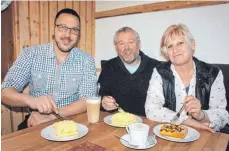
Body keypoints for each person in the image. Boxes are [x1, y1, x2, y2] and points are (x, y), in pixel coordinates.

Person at [1, 8, 97, 129]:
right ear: (54, 29)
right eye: (62, 27)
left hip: (71, 122)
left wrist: (52, 116)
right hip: (36, 121)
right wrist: (32, 100)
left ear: (78, 34)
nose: (67, 35)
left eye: (74, 30)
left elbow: (87, 100)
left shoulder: (86, 60)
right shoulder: (31, 54)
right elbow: (5, 92)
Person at [145, 24, 228, 132]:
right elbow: (151, 109)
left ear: (192, 45)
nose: (175, 50)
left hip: (205, 135)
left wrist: (201, 115)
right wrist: (186, 121)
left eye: (180, 43)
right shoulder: (159, 72)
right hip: (172, 135)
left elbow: (222, 115)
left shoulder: (213, 73)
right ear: (166, 53)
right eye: (170, 46)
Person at [98, 27, 160, 116]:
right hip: (116, 123)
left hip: (147, 124)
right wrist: (103, 102)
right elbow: (100, 95)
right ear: (116, 47)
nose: (127, 48)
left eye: (131, 42)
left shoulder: (156, 67)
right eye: (121, 43)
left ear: (138, 44)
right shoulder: (108, 67)